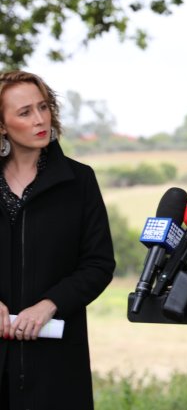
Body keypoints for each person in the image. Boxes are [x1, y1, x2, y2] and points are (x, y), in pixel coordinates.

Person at [0, 70, 115, 409]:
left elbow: (98, 263)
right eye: (25, 112)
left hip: (57, 364)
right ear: (2, 125)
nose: (40, 119)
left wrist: (49, 304)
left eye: (44, 106)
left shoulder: (79, 181)